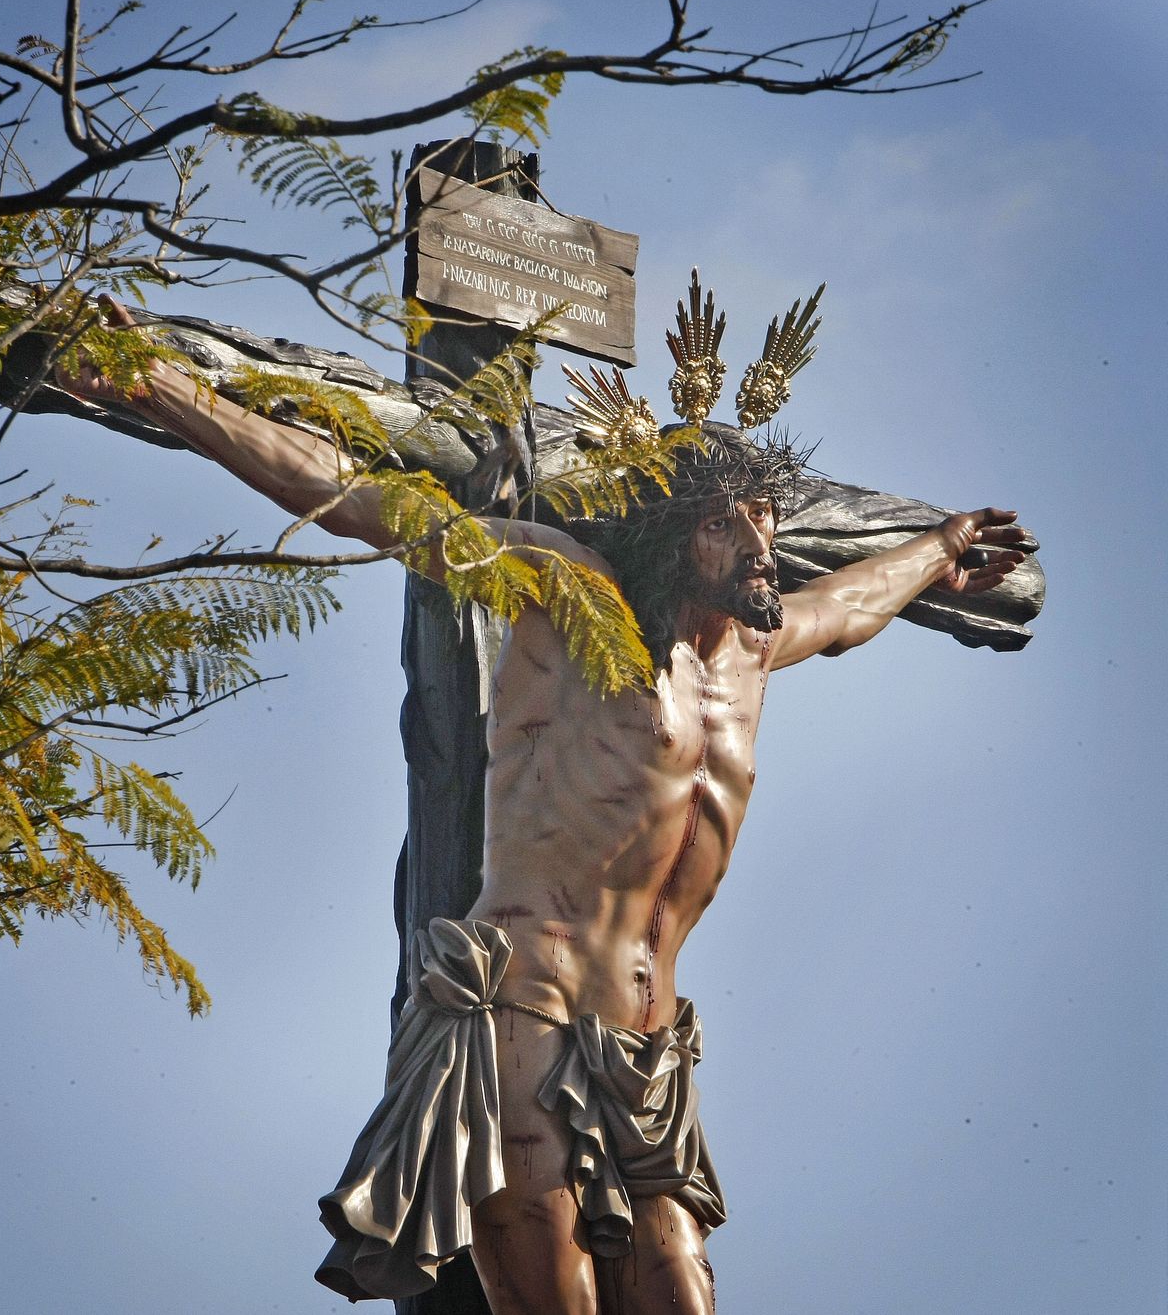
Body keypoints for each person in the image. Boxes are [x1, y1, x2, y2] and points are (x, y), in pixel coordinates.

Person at [61, 295, 1028, 1314]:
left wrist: (940, 549)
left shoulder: (756, 648)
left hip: (649, 1049)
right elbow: (359, 499)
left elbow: (853, 603)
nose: (757, 542)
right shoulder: (571, 593)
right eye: (722, 522)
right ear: (671, 536)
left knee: (680, 1294)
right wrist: (164, 387)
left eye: (764, 517)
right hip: (526, 1008)